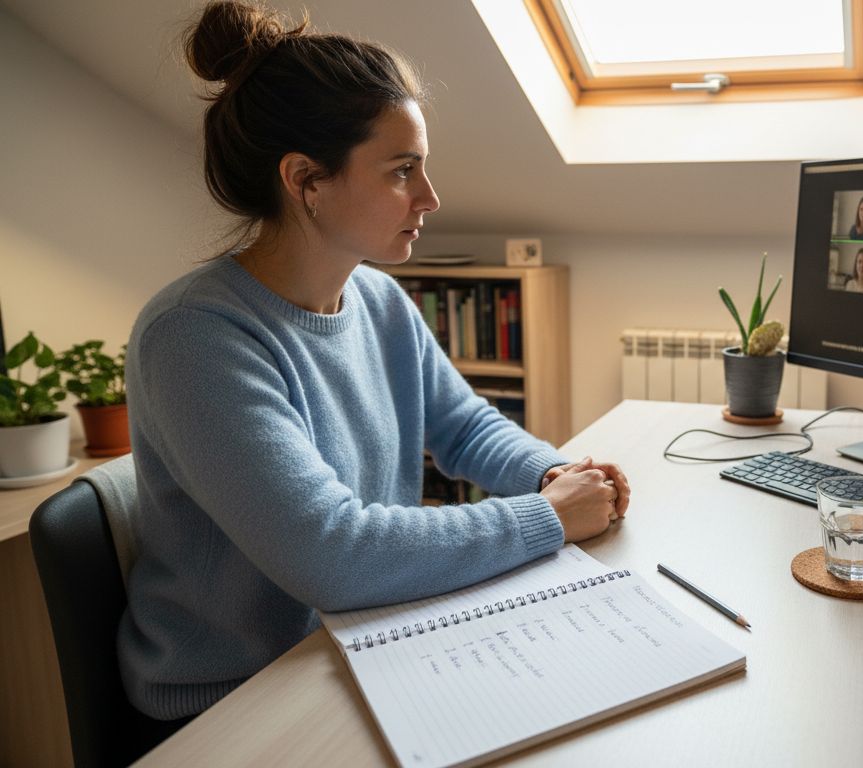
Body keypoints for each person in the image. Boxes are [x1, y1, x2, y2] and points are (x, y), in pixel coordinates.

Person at [118, 1, 631, 722]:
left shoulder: (377, 300)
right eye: (401, 171)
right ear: (306, 181)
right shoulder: (195, 338)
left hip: (362, 642)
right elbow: (332, 554)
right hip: (235, 698)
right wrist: (547, 516)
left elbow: (464, 429)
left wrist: (550, 473)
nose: (430, 197)